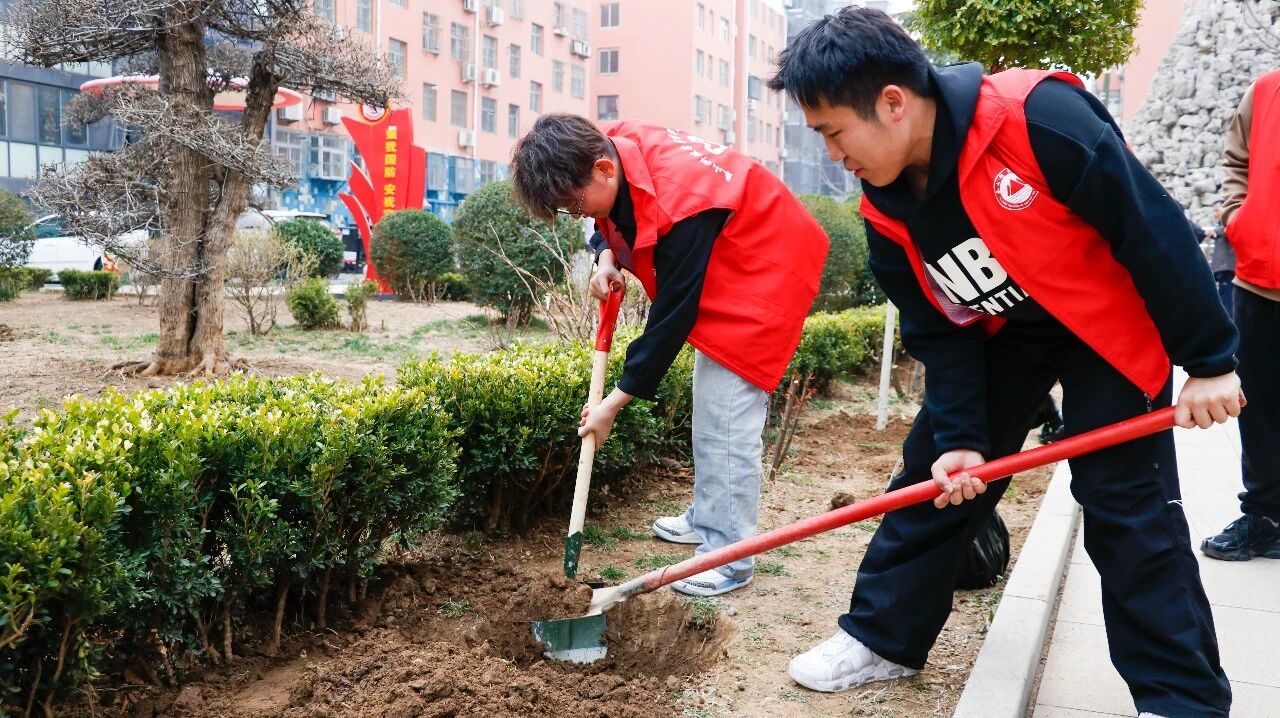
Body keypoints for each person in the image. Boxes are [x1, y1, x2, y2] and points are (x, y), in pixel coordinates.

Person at [767, 8, 1241, 717]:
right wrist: (960, 437)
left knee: (1125, 504)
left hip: (1107, 320)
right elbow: (940, 327)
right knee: (932, 475)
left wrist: (1210, 359)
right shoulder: (887, 210)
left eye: (834, 132)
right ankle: (882, 639)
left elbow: (1154, 232)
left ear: (892, 104)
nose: (835, 154)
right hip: (1013, 327)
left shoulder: (1037, 118)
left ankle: (1181, 698)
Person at [509, 114, 829, 596]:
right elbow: (613, 218)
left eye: (574, 205)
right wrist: (605, 255)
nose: (578, 214)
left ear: (603, 170)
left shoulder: (685, 202)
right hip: (728, 253)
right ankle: (708, 518)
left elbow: (672, 317)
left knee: (726, 416)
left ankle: (729, 555)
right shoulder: (613, 148)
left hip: (765, 269)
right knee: (710, 408)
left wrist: (612, 405)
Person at [1200, 71, 1280, 562]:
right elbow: (1237, 161)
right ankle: (1266, 517)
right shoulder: (1267, 90)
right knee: (1262, 406)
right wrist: (1239, 217)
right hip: (1259, 278)